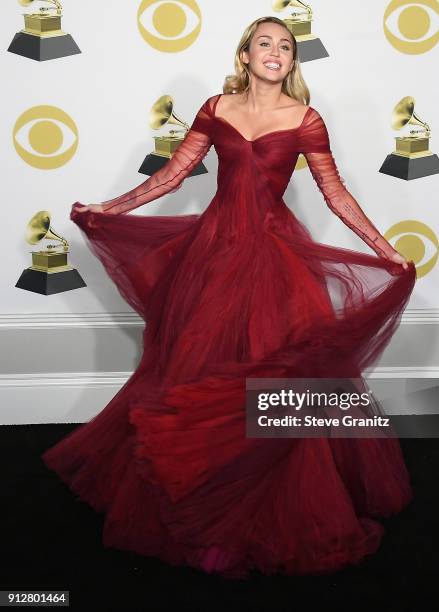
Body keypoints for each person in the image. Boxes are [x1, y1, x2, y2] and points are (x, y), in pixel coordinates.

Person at [42, 16, 417, 579]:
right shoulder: (216, 109)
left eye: (285, 46)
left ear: (292, 62)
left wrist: (386, 251)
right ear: (245, 56)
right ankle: (195, 512)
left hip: (272, 261)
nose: (275, 52)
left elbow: (334, 193)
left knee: (271, 391)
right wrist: (109, 210)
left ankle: (258, 515)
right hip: (212, 258)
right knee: (198, 375)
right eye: (263, 43)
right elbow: (173, 175)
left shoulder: (306, 120)